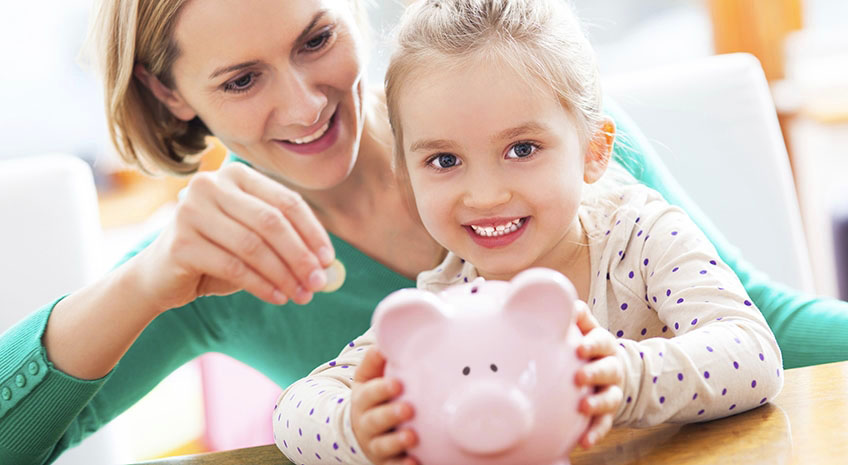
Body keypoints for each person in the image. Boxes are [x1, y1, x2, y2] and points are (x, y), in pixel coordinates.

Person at [0, 0, 845, 463]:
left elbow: (758, 329)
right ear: (173, 93)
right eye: (242, 78)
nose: (303, 105)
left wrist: (628, 375)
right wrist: (143, 283)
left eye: (316, 37)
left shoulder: (535, 126)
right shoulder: (218, 258)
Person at [271, 1, 784, 464]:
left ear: (593, 150)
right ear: (406, 178)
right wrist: (357, 425)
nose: (486, 194)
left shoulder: (642, 237)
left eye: (522, 149)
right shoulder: (443, 304)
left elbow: (753, 354)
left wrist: (628, 378)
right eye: (444, 160)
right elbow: (293, 410)